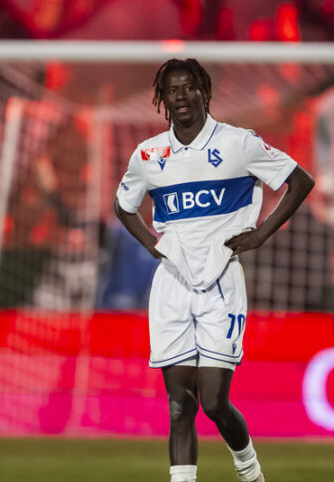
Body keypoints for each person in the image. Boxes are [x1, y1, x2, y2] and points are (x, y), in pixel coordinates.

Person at [113, 58, 314, 482]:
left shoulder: (240, 143)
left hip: (221, 282)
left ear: (204, 91)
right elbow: (124, 206)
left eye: (189, 88)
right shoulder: (149, 154)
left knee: (214, 402)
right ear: (161, 99)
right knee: (178, 403)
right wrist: (152, 244)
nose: (181, 96)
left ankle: (249, 470)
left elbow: (300, 181)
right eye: (172, 90)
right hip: (172, 284)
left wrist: (259, 235)